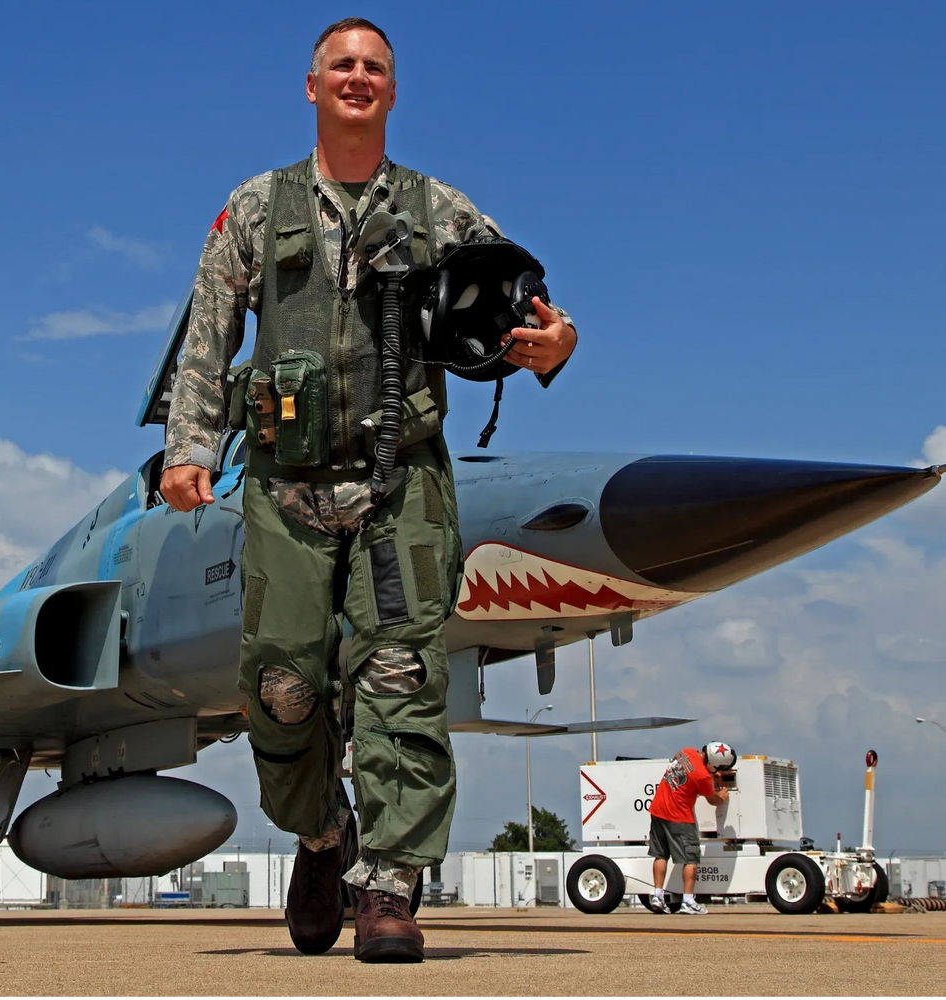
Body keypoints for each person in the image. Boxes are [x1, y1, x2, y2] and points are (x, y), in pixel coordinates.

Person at [161, 18, 577, 962]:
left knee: (402, 677)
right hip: (284, 487)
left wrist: (560, 345)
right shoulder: (257, 208)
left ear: (393, 91)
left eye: (375, 68)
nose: (358, 77)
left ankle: (391, 887)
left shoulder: (441, 211)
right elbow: (209, 332)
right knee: (282, 688)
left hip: (403, 484)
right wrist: (189, 448)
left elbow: (524, 300)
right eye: (342, 65)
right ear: (312, 87)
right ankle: (322, 838)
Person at [648, 741, 735, 915]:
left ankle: (657, 896)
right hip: (680, 816)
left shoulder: (685, 752)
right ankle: (688, 901)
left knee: (660, 854)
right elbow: (712, 800)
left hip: (658, 809)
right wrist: (723, 796)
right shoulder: (703, 777)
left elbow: (691, 772)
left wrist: (710, 774)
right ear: (712, 765)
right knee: (690, 857)